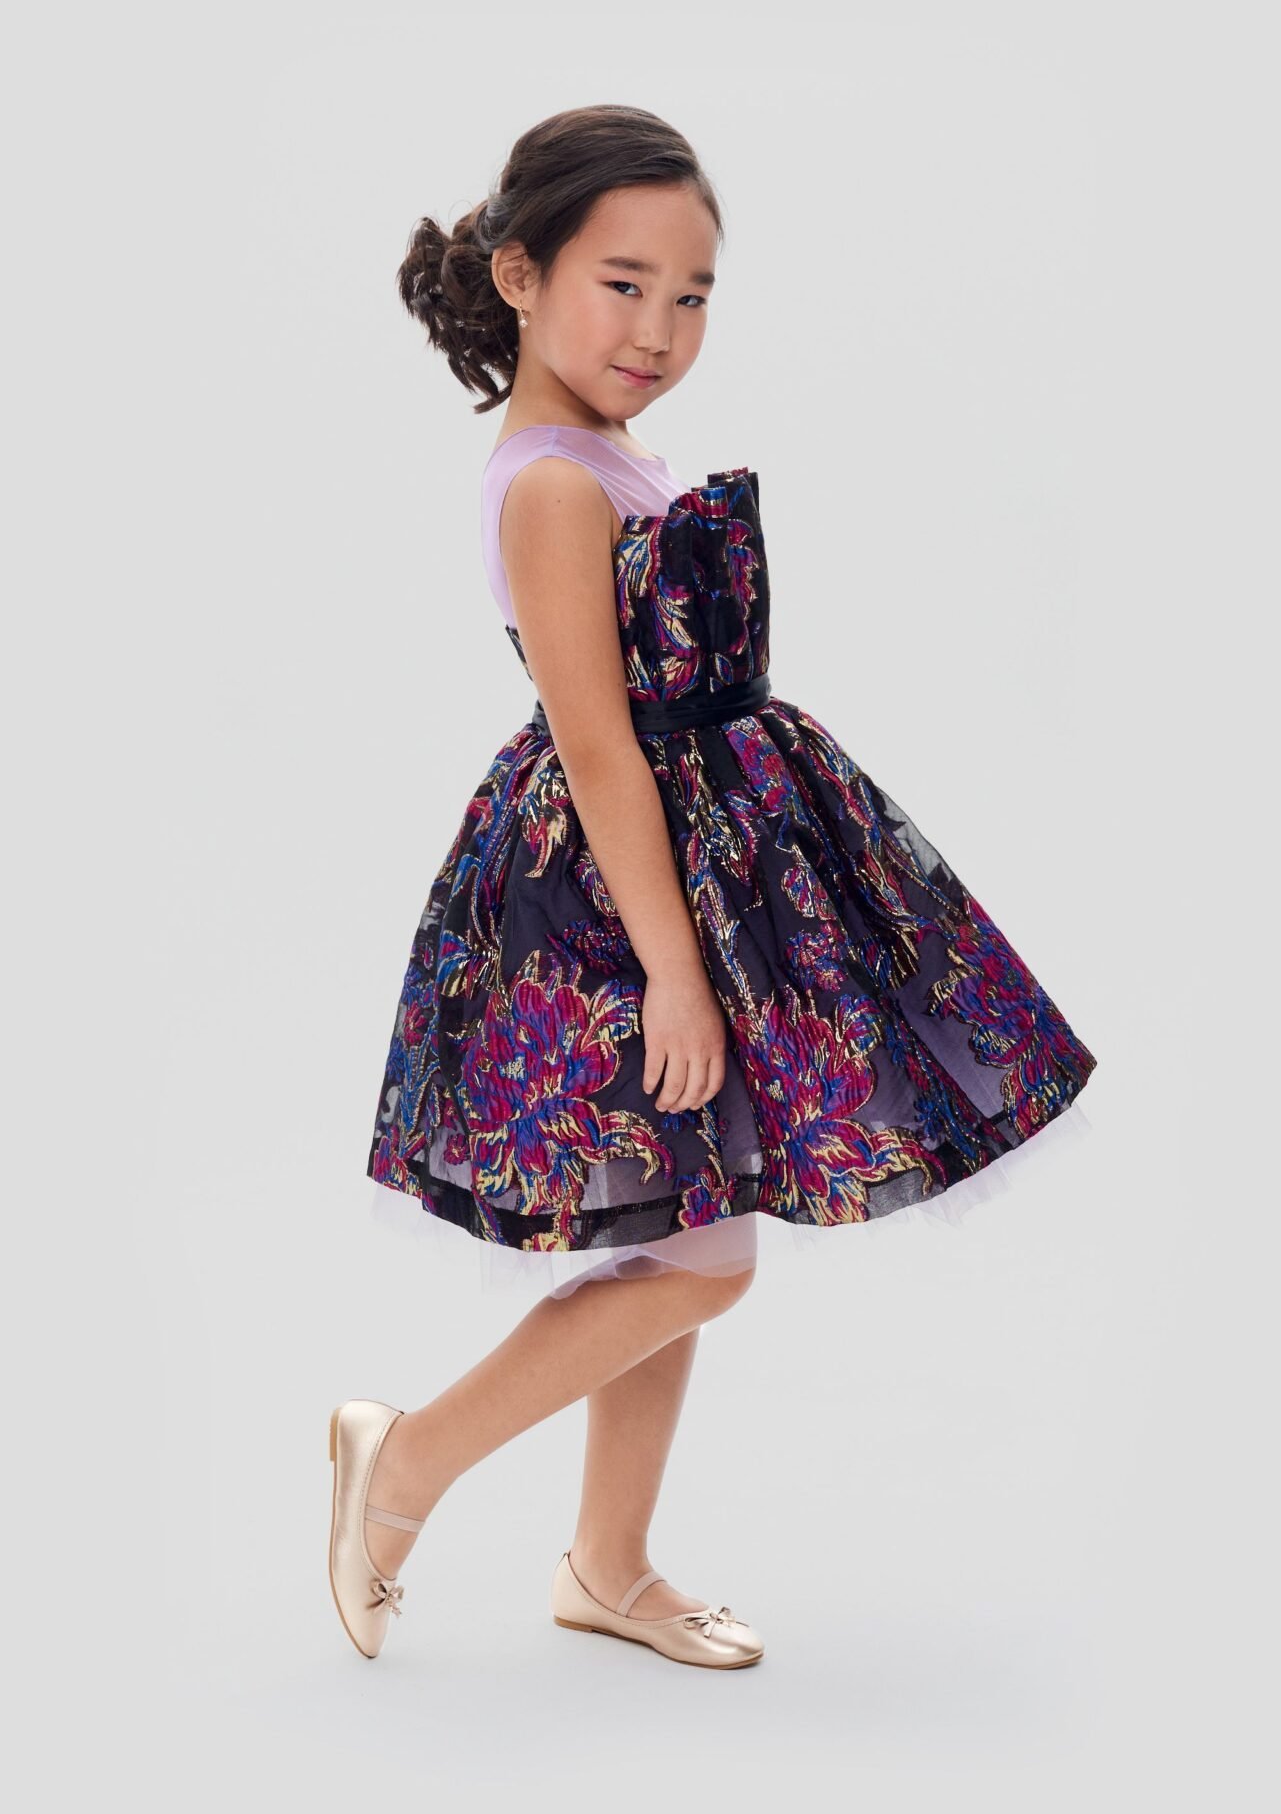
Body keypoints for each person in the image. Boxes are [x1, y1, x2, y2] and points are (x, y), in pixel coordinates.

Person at [329, 104, 1098, 1670]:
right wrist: (677, 975)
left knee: (688, 1223)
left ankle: (606, 1564)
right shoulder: (551, 485)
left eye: (690, 296)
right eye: (622, 285)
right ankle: (400, 1464)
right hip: (619, 901)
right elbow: (597, 746)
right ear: (521, 276)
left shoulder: (606, 454)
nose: (657, 330)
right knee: (701, 1257)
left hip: (711, 864)